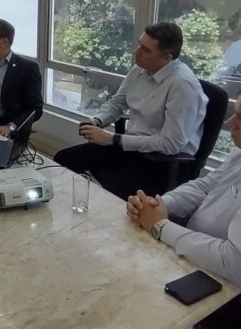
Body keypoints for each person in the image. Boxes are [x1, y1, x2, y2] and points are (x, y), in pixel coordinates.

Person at [100, 79, 241, 329]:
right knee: (125, 245)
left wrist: (160, 227)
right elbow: (205, 185)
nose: (229, 123)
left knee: (137, 277)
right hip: (214, 249)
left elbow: (239, 265)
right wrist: (160, 204)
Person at [55, 22, 207, 200]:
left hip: (161, 161)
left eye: (145, 50)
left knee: (112, 193)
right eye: (139, 44)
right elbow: (118, 103)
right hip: (131, 147)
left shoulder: (182, 85)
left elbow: (171, 144)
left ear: (166, 58)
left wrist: (114, 139)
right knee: (64, 159)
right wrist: (98, 120)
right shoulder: (139, 69)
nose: (136, 52)